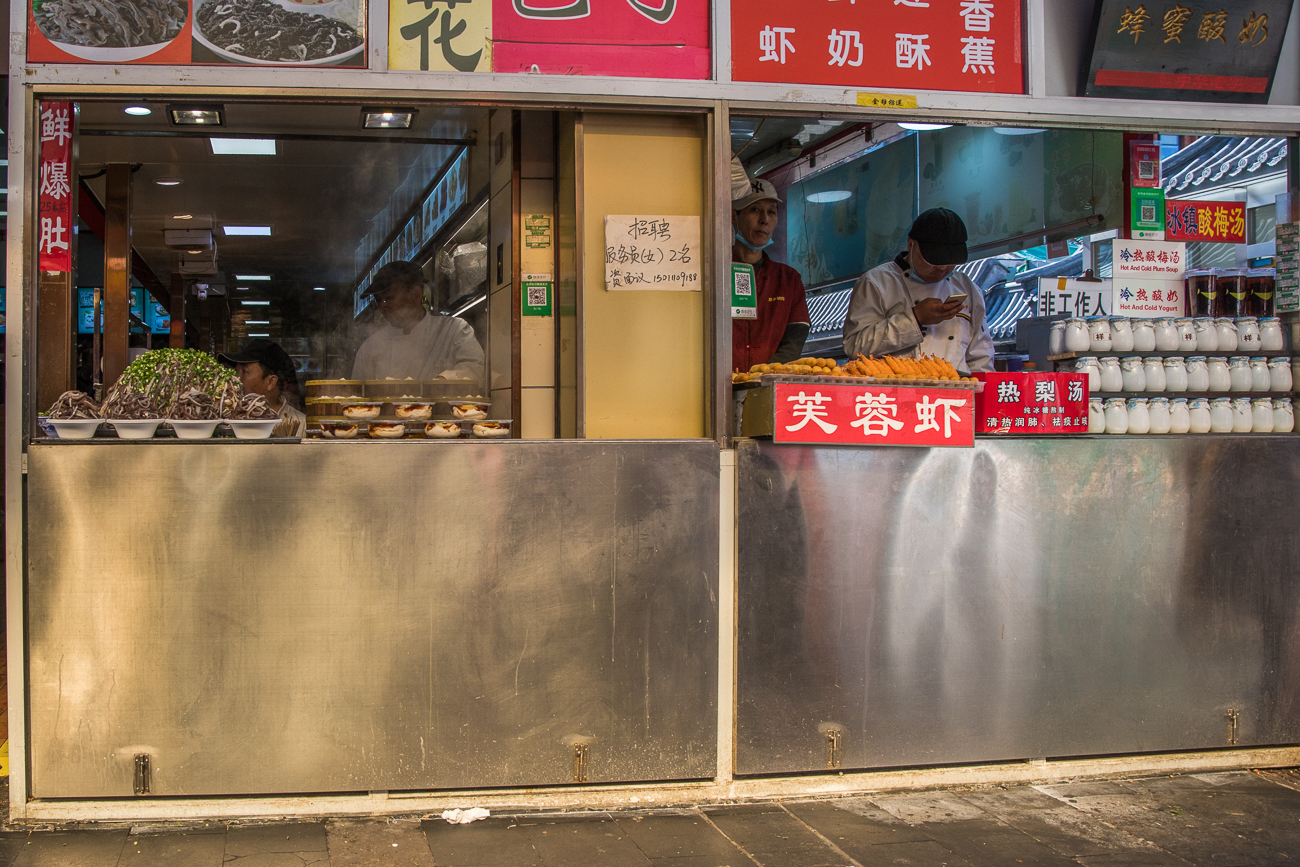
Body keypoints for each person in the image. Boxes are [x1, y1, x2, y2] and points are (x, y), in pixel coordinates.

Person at [841, 207, 994, 375]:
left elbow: (981, 357)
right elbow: (854, 346)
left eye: (950, 261)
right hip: (895, 393)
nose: (942, 267)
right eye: (933, 260)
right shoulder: (876, 283)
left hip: (956, 395)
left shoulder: (967, 288)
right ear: (911, 244)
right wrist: (915, 317)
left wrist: (983, 394)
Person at [351, 260, 485, 386]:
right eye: (378, 300)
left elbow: (475, 368)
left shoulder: (454, 330)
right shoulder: (370, 348)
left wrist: (442, 381)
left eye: (389, 298)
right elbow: (357, 396)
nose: (382, 307)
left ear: (416, 295)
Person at [731, 164, 810, 373]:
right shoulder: (714, 273)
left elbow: (794, 338)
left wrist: (763, 377)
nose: (764, 220)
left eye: (771, 212)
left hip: (766, 387)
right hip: (716, 389)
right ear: (733, 216)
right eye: (755, 210)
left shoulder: (789, 280)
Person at [218, 338, 308, 435]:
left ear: (270, 382)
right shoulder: (224, 420)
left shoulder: (302, 426)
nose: (236, 378)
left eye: (245, 371)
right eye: (236, 372)